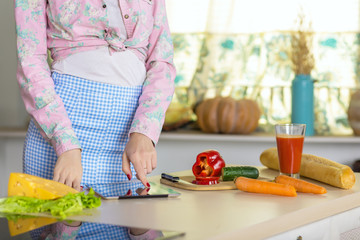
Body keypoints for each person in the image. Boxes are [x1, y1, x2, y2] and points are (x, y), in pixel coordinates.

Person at [14, 0, 175, 239]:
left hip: (127, 140)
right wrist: (66, 144)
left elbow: (161, 62)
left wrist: (144, 132)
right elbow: (30, 62)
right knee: (56, 229)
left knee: (140, 224)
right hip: (58, 136)